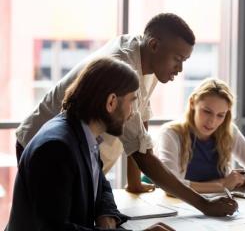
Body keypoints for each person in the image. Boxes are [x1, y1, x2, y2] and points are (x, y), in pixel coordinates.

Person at [15, 13, 195, 193]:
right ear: (154, 45)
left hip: (82, 158)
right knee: (56, 218)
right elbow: (143, 156)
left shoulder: (150, 58)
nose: (179, 69)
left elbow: (140, 124)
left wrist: (134, 182)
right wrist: (204, 205)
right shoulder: (123, 66)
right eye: (177, 59)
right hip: (47, 149)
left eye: (184, 61)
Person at [6, 57, 175, 230]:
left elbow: (101, 184)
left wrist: (106, 214)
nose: (132, 113)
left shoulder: (83, 134)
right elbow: (55, 229)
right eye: (132, 101)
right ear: (111, 102)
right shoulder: (57, 148)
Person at [154, 78, 245, 193]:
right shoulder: (170, 134)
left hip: (217, 206)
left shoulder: (228, 131)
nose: (212, 122)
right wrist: (222, 185)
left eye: (220, 115)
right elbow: (170, 185)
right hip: (178, 205)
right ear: (192, 103)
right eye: (207, 111)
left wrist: (240, 179)